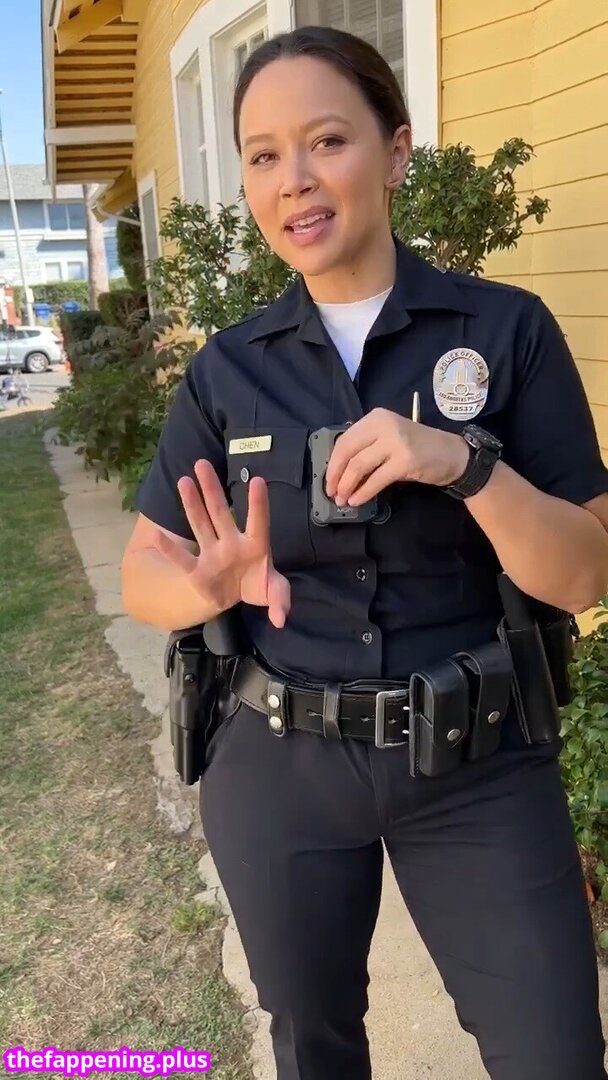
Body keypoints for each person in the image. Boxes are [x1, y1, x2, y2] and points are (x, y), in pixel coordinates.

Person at [121, 26, 608, 1080]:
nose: (293, 179)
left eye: (326, 140)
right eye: (262, 155)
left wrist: (463, 465)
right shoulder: (226, 372)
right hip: (279, 761)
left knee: (556, 1053)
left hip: (476, 762)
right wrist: (200, 583)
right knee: (314, 1049)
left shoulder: (504, 331)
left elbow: (583, 572)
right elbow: (144, 570)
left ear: (394, 152)